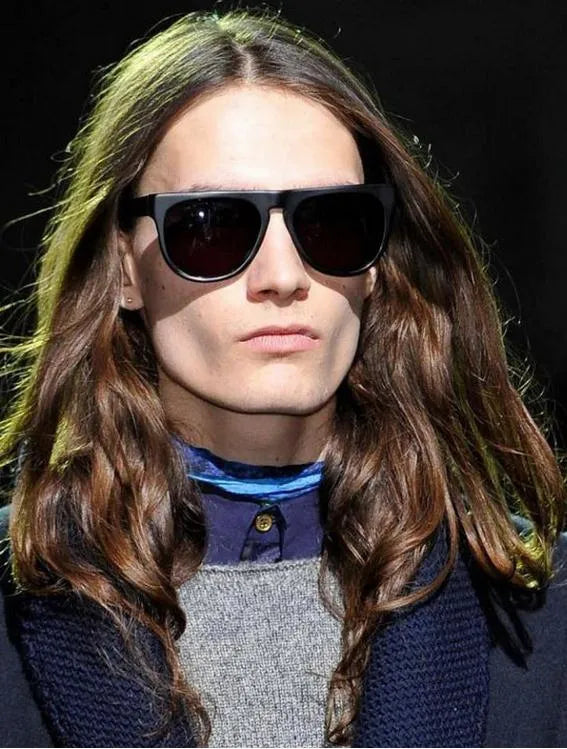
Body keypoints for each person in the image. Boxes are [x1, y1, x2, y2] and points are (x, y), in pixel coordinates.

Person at [1, 6, 566, 748]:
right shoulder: (19, 596)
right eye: (211, 226)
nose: (283, 276)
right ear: (123, 269)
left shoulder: (539, 609)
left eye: (332, 223)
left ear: (376, 265)